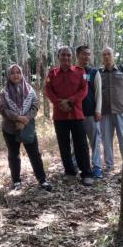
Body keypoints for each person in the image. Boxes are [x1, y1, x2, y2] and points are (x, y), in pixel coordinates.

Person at [45, 46, 94, 186]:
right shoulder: (52, 73)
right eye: (63, 55)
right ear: (58, 56)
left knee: (81, 145)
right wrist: (59, 103)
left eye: (68, 55)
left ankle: (86, 173)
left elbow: (84, 90)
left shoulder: (81, 72)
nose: (65, 57)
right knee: (64, 145)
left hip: (76, 114)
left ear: (71, 57)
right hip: (60, 115)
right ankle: (70, 172)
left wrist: (70, 101)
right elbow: (48, 90)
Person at [0, 64, 52, 192]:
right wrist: (18, 117)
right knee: (13, 155)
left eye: (18, 72)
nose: (16, 75)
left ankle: (42, 180)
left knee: (34, 154)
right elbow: (3, 109)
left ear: (22, 74)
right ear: (8, 75)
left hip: (27, 127)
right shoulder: (4, 92)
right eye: (13, 73)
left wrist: (25, 119)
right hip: (10, 128)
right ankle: (16, 181)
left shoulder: (29, 90)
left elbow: (35, 106)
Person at [75, 45, 103, 178]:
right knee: (76, 142)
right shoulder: (72, 71)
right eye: (84, 54)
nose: (87, 57)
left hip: (91, 113)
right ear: (77, 55)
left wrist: (98, 110)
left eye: (89, 54)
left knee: (95, 142)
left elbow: (98, 93)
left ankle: (97, 167)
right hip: (75, 114)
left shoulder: (93, 72)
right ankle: (76, 165)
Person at [99, 47, 123, 173]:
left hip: (121, 111)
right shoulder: (98, 73)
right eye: (104, 54)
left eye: (109, 54)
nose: (106, 56)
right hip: (105, 112)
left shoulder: (122, 70)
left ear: (113, 55)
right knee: (106, 140)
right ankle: (109, 166)